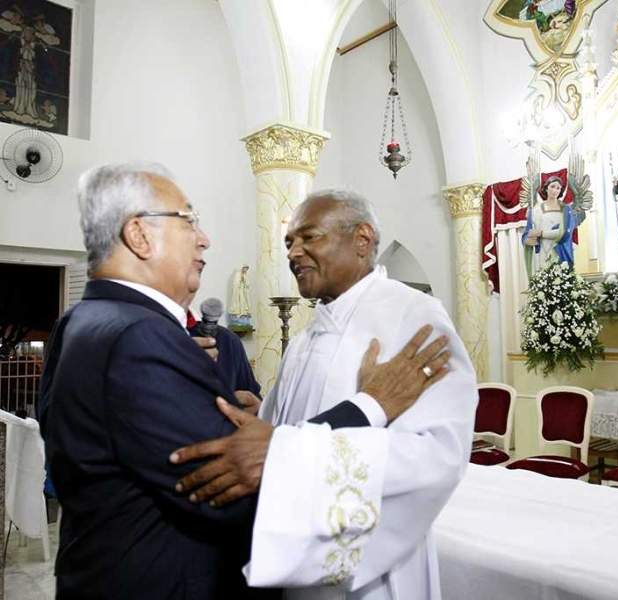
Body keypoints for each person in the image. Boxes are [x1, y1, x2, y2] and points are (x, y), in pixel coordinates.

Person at [39, 164, 449, 600]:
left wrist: (246, 411)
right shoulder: (139, 336)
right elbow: (236, 483)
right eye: (188, 220)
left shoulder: (81, 319)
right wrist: (371, 404)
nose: (203, 238)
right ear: (139, 236)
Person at [171, 189, 478, 599]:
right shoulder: (306, 335)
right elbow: (280, 433)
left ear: (362, 240)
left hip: (369, 567)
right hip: (299, 546)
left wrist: (289, 452)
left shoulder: (413, 316)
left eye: (308, 237)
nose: (293, 252)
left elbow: (439, 451)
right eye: (288, 243)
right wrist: (265, 416)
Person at [521, 175, 580, 275]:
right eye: (552, 186)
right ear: (546, 188)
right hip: (543, 251)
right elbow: (528, 231)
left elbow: (565, 233)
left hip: (560, 250)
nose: (555, 190)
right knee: (544, 276)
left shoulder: (566, 210)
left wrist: (541, 233)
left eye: (558, 188)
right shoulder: (536, 210)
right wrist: (527, 240)